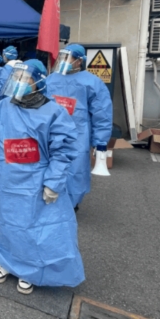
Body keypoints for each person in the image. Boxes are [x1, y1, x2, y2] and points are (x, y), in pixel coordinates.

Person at [0, 59, 84, 295]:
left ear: (38, 82)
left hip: (36, 181)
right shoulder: (0, 108)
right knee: (8, 224)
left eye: (24, 78)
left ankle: (31, 269)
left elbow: (62, 151)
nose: (18, 81)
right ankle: (6, 261)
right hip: (8, 180)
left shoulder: (53, 112)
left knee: (36, 227)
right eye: (15, 77)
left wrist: (53, 183)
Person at [46, 44, 112, 210]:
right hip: (51, 134)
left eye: (68, 58)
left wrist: (100, 142)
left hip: (78, 135)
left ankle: (71, 204)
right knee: (51, 167)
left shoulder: (92, 82)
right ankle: (51, 199)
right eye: (62, 57)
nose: (64, 61)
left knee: (75, 169)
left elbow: (102, 114)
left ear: (79, 61)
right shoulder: (51, 79)